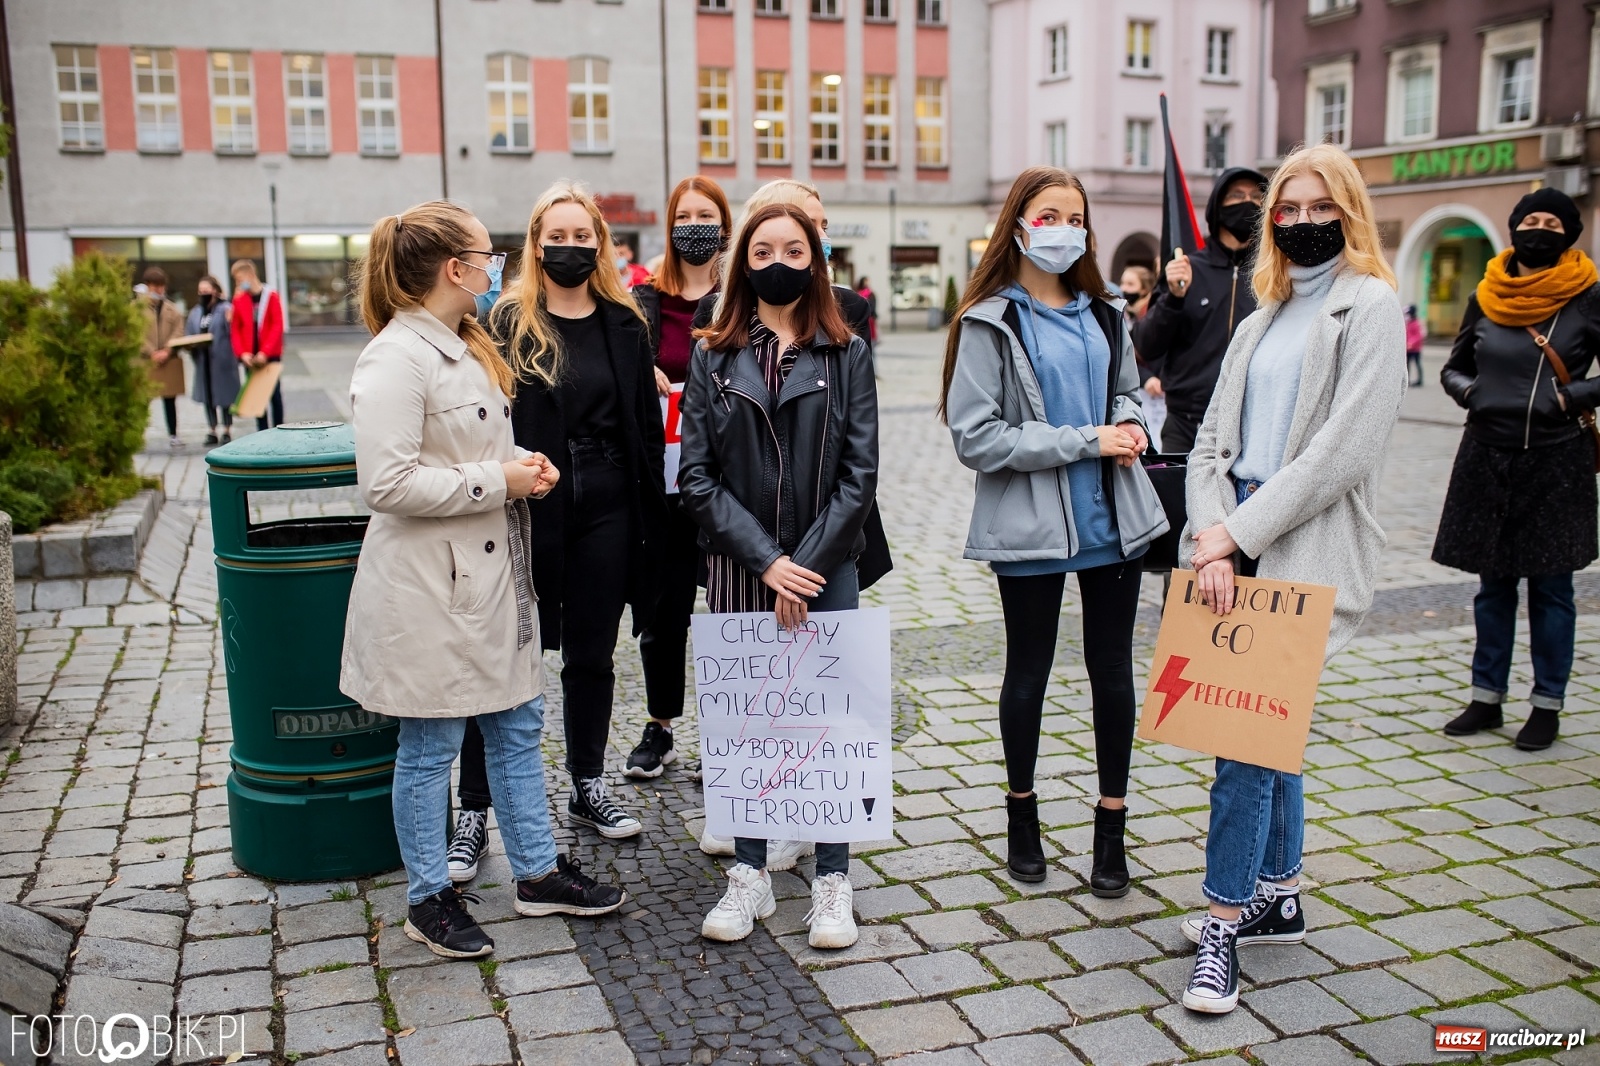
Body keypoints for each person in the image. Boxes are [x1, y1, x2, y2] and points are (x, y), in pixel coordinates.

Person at [340, 200, 625, 959]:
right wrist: (496, 479)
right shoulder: (396, 357)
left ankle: (535, 873)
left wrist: (520, 471)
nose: (494, 260)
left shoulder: (469, 342)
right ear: (452, 268)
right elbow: (388, 483)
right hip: (431, 587)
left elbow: (475, 448)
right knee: (431, 743)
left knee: (515, 725)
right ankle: (427, 896)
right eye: (482, 251)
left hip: (493, 578)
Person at [1176, 143, 1405, 1013]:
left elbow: (1338, 455)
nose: (1303, 221)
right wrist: (1212, 535)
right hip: (1234, 540)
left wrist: (1237, 530)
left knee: (1245, 747)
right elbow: (1207, 445)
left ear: (1349, 211)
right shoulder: (1260, 315)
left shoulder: (1370, 305)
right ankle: (1278, 892)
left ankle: (1224, 925)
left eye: (1321, 206)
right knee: (1272, 730)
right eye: (1289, 208)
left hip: (1300, 542)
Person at [940, 166, 1168, 893]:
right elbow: (978, 438)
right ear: (1018, 225)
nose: (1064, 227)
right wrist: (1087, 439)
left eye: (1075, 215)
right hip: (1030, 525)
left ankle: (1111, 828)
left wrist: (1129, 424)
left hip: (1113, 517)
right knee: (1028, 673)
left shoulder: (1107, 313)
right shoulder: (989, 321)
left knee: (1112, 673)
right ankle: (1022, 815)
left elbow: (1129, 392)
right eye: (1048, 214)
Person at [680, 201, 878, 950]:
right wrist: (768, 561)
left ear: (816, 259)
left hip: (829, 568)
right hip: (743, 566)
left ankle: (833, 882)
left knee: (831, 727)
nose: (778, 261)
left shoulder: (846, 351)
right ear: (742, 263)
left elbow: (860, 478)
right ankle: (751, 875)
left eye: (794, 249)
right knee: (751, 724)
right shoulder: (712, 355)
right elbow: (696, 480)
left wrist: (807, 567)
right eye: (763, 249)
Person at [450, 181, 666, 868]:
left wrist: (648, 526)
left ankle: (587, 781)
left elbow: (645, 436)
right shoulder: (506, 324)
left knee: (592, 657)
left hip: (607, 505)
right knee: (505, 658)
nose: (570, 247)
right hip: (524, 506)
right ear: (537, 244)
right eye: (557, 236)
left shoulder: (625, 325)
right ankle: (474, 809)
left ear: (598, 245)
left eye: (583, 237)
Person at [1432, 187, 1600, 753]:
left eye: (1554, 220)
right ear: (1514, 228)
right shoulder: (1486, 294)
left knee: (1552, 589)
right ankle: (1486, 696)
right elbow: (1453, 368)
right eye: (1532, 219)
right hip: (1487, 454)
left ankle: (1546, 705)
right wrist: (1472, 392)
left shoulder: (1587, 295)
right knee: (1492, 585)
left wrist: (1569, 397)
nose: (1541, 227)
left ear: (1569, 233)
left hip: (1556, 458)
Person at [626, 175, 732, 779]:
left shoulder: (741, 295)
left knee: (725, 610)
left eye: (707, 215)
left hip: (726, 484)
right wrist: (646, 378)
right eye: (685, 215)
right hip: (663, 486)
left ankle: (723, 731)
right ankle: (661, 725)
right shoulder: (642, 300)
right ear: (671, 225)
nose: (696, 225)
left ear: (724, 226)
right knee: (664, 612)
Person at [1135, 167, 1268, 453]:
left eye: (1258, 197)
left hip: (1252, 426)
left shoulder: (1270, 275)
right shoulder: (1187, 269)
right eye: (1237, 195)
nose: (1249, 202)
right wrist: (1174, 297)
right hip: (1186, 425)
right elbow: (1145, 345)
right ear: (1218, 206)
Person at [184, 275, 241, 445]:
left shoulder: (225, 309)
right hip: (203, 361)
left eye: (207, 291)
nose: (204, 294)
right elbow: (189, 334)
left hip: (222, 360)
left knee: (225, 396)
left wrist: (231, 321)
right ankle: (211, 429)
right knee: (207, 396)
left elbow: (235, 331)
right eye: (201, 291)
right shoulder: (196, 312)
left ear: (215, 291)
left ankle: (227, 429)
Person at [229, 260, 286, 431]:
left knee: (273, 394)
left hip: (269, 355)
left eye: (240, 279)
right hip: (250, 357)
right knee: (256, 396)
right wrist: (242, 353)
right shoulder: (239, 300)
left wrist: (265, 352)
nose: (239, 284)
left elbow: (277, 325)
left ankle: (279, 429)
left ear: (250, 275)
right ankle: (261, 431)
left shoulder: (271, 296)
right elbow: (235, 329)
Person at [139, 267, 187, 449]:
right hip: (145, 360)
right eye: (154, 287)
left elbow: (179, 330)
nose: (158, 290)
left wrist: (167, 350)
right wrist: (151, 352)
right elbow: (135, 334)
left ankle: (173, 434)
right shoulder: (137, 308)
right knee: (143, 398)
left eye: (161, 287)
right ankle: (139, 433)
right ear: (147, 287)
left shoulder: (172, 310)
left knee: (169, 397)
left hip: (167, 359)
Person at [1121, 265, 1164, 451]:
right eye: (1123, 283)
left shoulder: (1152, 315)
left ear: (1145, 289)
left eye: (1131, 284)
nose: (1125, 289)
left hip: (1160, 395)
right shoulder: (1125, 315)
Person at [1405, 305, 1426, 387]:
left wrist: (1411, 343)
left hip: (1415, 349)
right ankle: (1407, 380)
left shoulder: (1416, 323)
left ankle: (1420, 380)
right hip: (1408, 348)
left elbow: (1418, 336)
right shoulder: (1409, 323)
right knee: (1407, 365)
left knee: (1417, 364)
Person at [856, 276, 879, 345]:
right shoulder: (858, 293)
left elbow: (873, 306)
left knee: (871, 339)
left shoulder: (870, 294)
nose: (867, 283)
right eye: (866, 281)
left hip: (870, 319)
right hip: (861, 319)